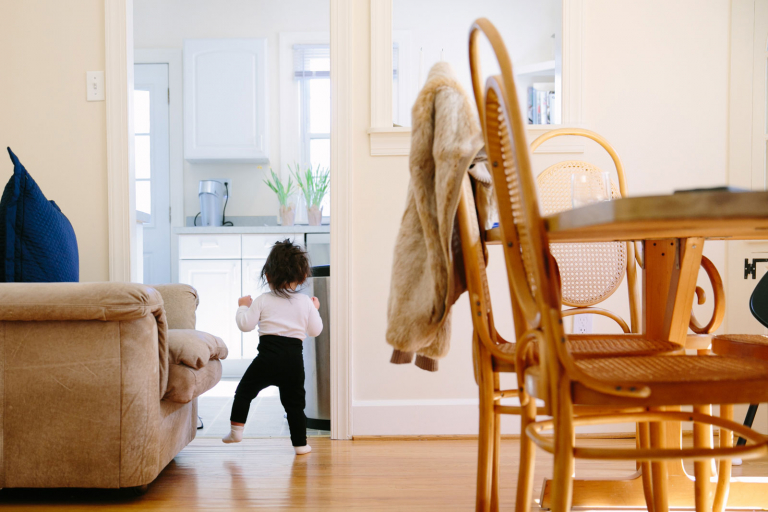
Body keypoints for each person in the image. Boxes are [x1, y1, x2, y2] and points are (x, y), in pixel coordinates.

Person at [222, 239, 322, 455]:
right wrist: (315, 309)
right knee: (295, 404)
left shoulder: (262, 300)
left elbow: (245, 325)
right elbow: (315, 331)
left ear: (267, 276)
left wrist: (242, 307)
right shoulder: (305, 302)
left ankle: (236, 431)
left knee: (244, 392)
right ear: (303, 277)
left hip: (267, 359)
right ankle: (300, 444)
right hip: (293, 362)